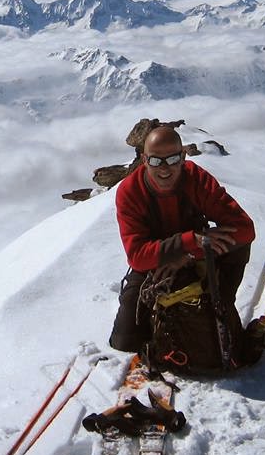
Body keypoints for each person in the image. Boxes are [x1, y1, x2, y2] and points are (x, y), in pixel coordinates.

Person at [109, 126, 256, 353]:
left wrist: (188, 253)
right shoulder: (130, 191)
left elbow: (245, 229)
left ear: (184, 156)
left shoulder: (196, 179)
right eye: (157, 161)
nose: (165, 168)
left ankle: (222, 301)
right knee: (125, 341)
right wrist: (190, 242)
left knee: (236, 245)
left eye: (173, 159)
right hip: (155, 264)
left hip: (197, 254)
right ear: (144, 159)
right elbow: (137, 257)